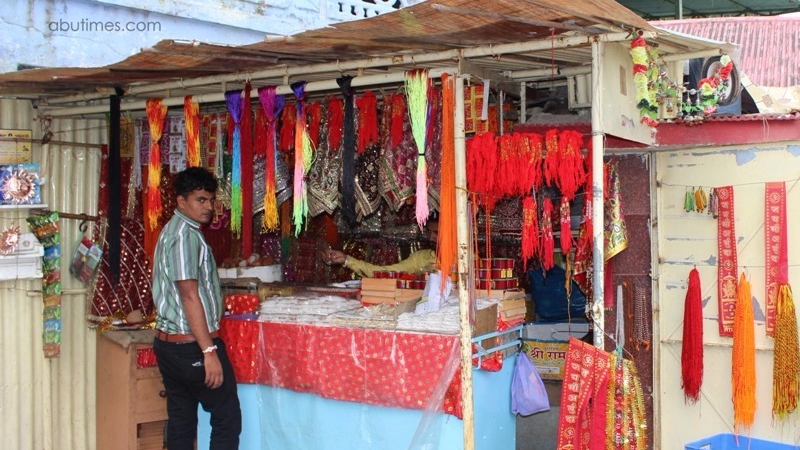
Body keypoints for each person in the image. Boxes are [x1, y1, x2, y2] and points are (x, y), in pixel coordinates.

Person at [151, 167, 241, 450]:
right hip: (189, 345)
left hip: (171, 346)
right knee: (226, 418)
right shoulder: (184, 236)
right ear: (181, 201)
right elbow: (189, 296)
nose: (209, 207)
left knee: (181, 419)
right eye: (200, 200)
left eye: (211, 200)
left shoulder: (174, 230)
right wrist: (208, 351)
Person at [324, 221, 438, 278]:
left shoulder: (455, 260)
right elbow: (384, 273)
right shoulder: (421, 258)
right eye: (430, 232)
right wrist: (346, 260)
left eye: (437, 232)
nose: (431, 237)